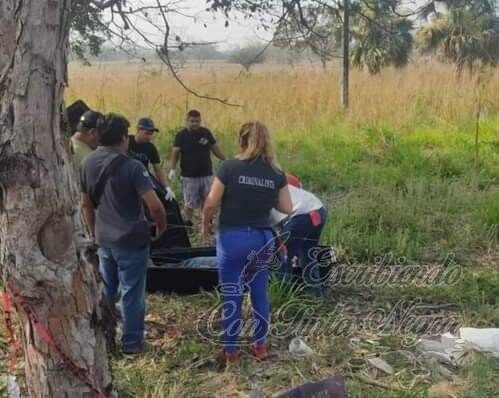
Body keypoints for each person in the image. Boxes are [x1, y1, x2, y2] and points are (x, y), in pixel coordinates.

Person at [202, 121, 292, 363]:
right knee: (259, 294)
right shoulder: (275, 172)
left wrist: (205, 224)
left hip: (233, 238)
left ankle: (231, 352)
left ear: (241, 140)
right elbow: (287, 207)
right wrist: (264, 197)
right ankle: (260, 346)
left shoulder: (229, 167)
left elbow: (211, 202)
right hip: (263, 239)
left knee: (232, 294)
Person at [80, 113, 167, 355]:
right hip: (131, 240)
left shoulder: (87, 163)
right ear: (122, 138)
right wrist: (161, 228)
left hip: (104, 239)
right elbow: (155, 205)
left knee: (107, 289)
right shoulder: (133, 167)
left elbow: (85, 204)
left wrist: (93, 233)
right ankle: (131, 344)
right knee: (132, 293)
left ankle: (106, 341)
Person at [270, 174, 328, 297]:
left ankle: (282, 297)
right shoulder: (282, 186)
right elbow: (283, 227)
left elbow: (273, 234)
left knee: (282, 257)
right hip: (319, 210)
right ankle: (316, 296)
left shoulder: (259, 196)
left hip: (301, 215)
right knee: (308, 255)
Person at [170, 109, 226, 229]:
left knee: (207, 200)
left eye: (197, 121)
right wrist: (173, 169)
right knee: (189, 203)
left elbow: (214, 148)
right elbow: (175, 152)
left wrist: (225, 160)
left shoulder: (206, 132)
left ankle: (206, 224)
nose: (195, 123)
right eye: (192, 121)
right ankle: (188, 225)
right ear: (187, 121)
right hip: (189, 176)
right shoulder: (181, 135)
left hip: (206, 174)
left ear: (200, 121)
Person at [128, 117, 167, 188]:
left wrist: (166, 188)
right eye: (147, 133)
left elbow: (158, 170)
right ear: (138, 130)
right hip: (126, 179)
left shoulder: (151, 148)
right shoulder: (127, 141)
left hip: (142, 181)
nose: (149, 137)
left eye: (151, 134)